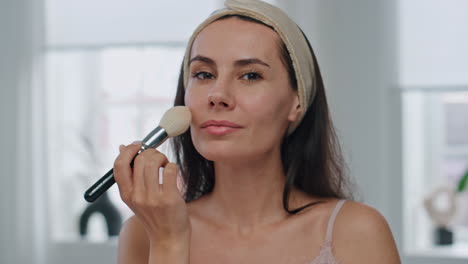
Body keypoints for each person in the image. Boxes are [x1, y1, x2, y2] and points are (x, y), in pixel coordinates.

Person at [114, 0, 401, 263]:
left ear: (296, 102)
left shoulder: (354, 232)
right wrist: (169, 242)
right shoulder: (144, 233)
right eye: (204, 74)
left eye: (250, 75)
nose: (218, 94)